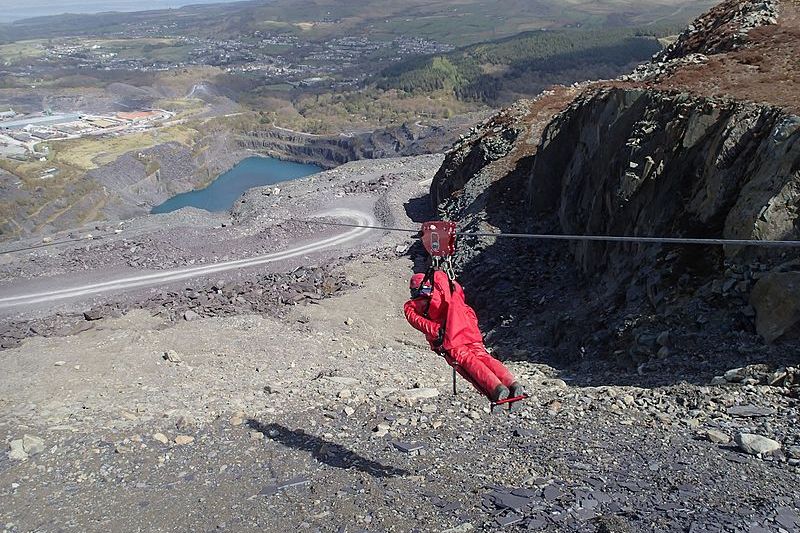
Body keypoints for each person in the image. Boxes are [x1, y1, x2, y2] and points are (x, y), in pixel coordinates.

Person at [403, 271, 525, 402]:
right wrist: (472, 325)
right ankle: (512, 383)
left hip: (450, 336)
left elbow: (419, 323)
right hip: (469, 330)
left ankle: (496, 387)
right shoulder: (450, 291)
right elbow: (468, 310)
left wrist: (438, 332)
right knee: (483, 356)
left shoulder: (413, 306)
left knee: (468, 361)